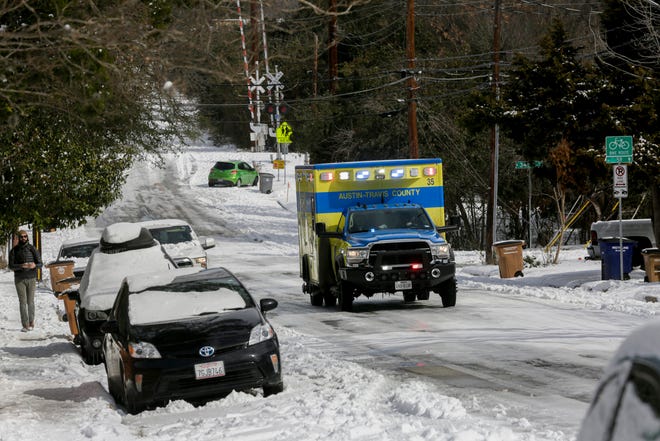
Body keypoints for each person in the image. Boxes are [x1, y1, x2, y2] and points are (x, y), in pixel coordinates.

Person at [8, 230, 42, 332]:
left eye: (25, 236)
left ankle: (31, 321)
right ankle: (25, 324)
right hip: (19, 279)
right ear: (19, 238)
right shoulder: (14, 251)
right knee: (22, 302)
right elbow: (10, 266)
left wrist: (34, 265)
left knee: (30, 301)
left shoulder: (32, 249)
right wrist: (21, 266)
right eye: (22, 237)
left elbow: (40, 263)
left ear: (27, 237)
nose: (24, 238)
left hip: (31, 278)